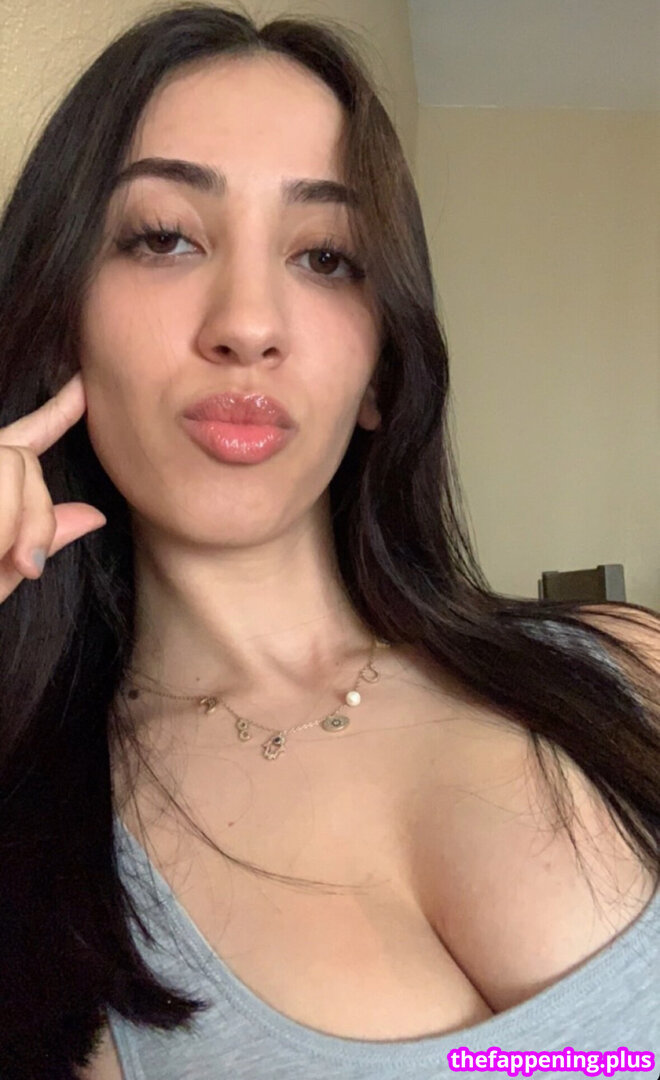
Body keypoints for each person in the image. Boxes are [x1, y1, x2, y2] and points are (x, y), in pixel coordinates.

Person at [0, 4, 658, 1079]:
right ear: (59, 319)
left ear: (381, 372)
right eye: (164, 237)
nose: (248, 323)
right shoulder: (42, 875)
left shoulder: (629, 666)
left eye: (325, 255)